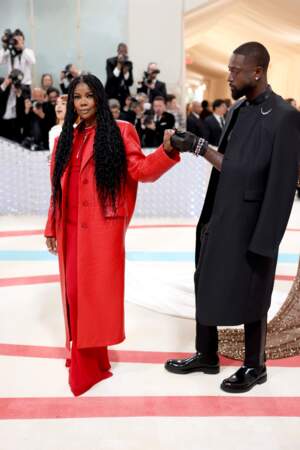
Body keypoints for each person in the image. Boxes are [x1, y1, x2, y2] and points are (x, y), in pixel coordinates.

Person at [165, 42, 300, 393]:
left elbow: (278, 181)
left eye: (235, 70)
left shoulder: (286, 116)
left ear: (257, 71)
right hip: (222, 214)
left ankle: (256, 366)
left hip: (255, 221)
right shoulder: (238, 110)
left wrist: (267, 238)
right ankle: (206, 354)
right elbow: (228, 167)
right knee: (205, 278)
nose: (229, 76)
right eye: (229, 69)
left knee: (253, 294)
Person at [44, 74, 179, 396]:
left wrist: (167, 150)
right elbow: (56, 190)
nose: (83, 102)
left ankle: (88, 364)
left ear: (100, 98)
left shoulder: (121, 131)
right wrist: (51, 227)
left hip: (101, 230)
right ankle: (92, 359)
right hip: (70, 229)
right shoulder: (66, 138)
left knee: (93, 298)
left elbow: (140, 171)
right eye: (77, 97)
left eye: (89, 96)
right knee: (76, 296)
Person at [105, 43, 133, 108]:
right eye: (121, 51)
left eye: (125, 52)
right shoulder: (110, 61)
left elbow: (130, 82)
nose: (123, 54)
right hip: (111, 94)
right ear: (118, 51)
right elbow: (111, 79)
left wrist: (126, 73)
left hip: (123, 95)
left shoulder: (129, 64)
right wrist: (119, 65)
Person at [0, 73, 25, 142]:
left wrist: (19, 95)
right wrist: (4, 85)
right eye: (14, 80)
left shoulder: (22, 89)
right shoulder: (2, 84)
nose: (15, 83)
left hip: (13, 123)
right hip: (2, 120)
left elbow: (22, 111)